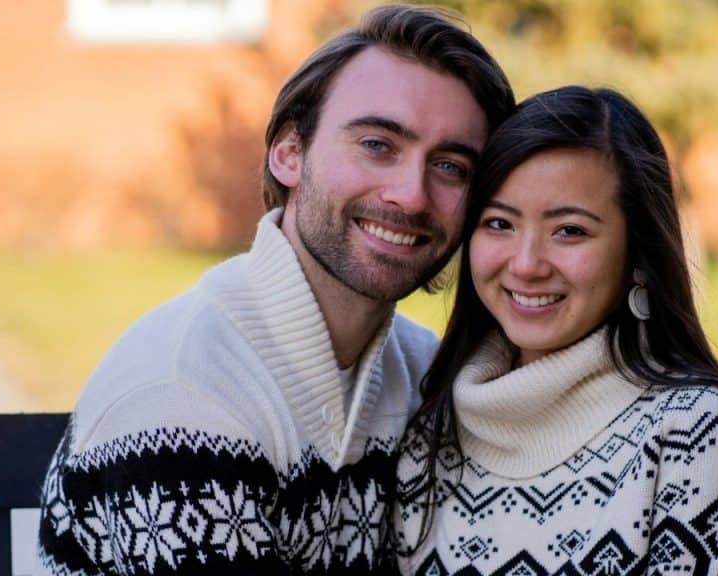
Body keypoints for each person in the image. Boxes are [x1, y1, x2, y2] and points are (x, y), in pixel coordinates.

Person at [36, 5, 514, 575]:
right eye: (378, 145)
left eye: (451, 167)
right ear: (289, 152)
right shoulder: (181, 393)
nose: (411, 195)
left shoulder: (422, 374)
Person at [394, 86, 718, 575]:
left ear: (636, 253)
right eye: (498, 223)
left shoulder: (693, 431)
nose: (527, 263)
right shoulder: (428, 434)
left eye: (570, 231)